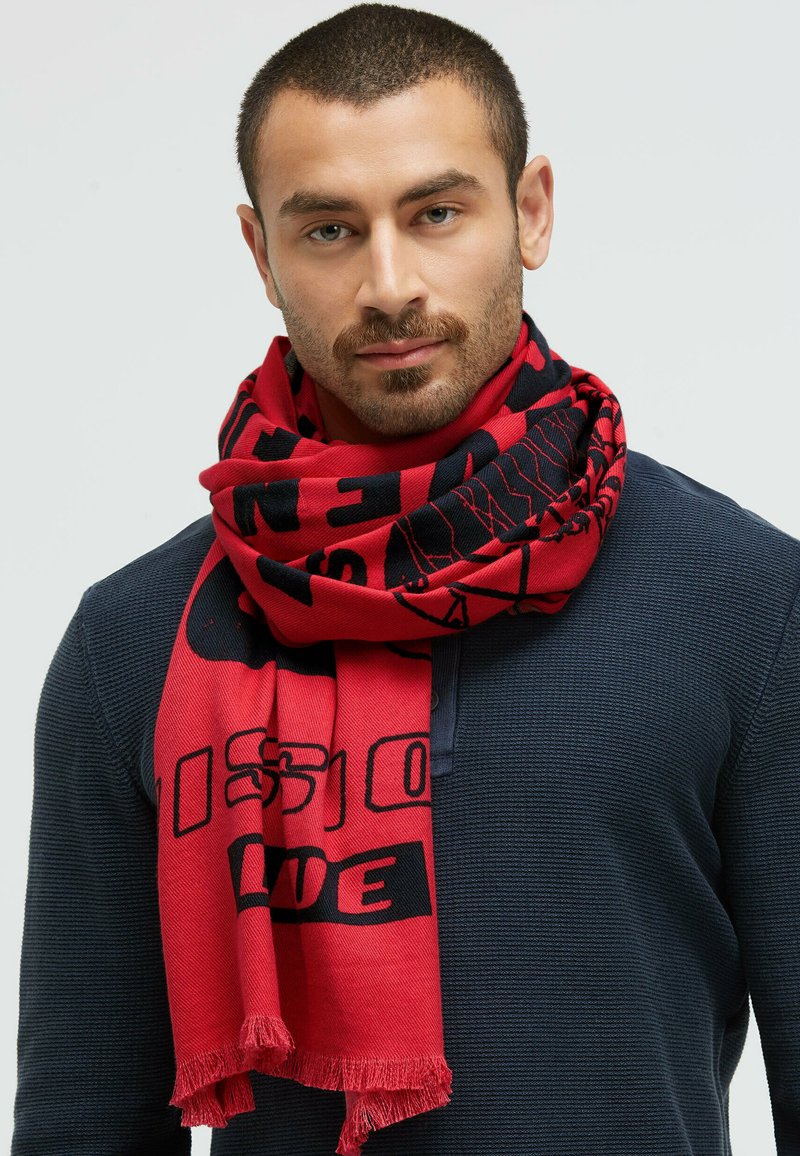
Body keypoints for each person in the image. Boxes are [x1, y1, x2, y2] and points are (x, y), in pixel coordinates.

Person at [11, 3, 800, 1155]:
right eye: (329, 229)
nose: (388, 284)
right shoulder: (131, 641)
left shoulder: (743, 602)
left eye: (435, 213)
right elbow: (82, 1118)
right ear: (260, 253)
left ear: (530, 211)